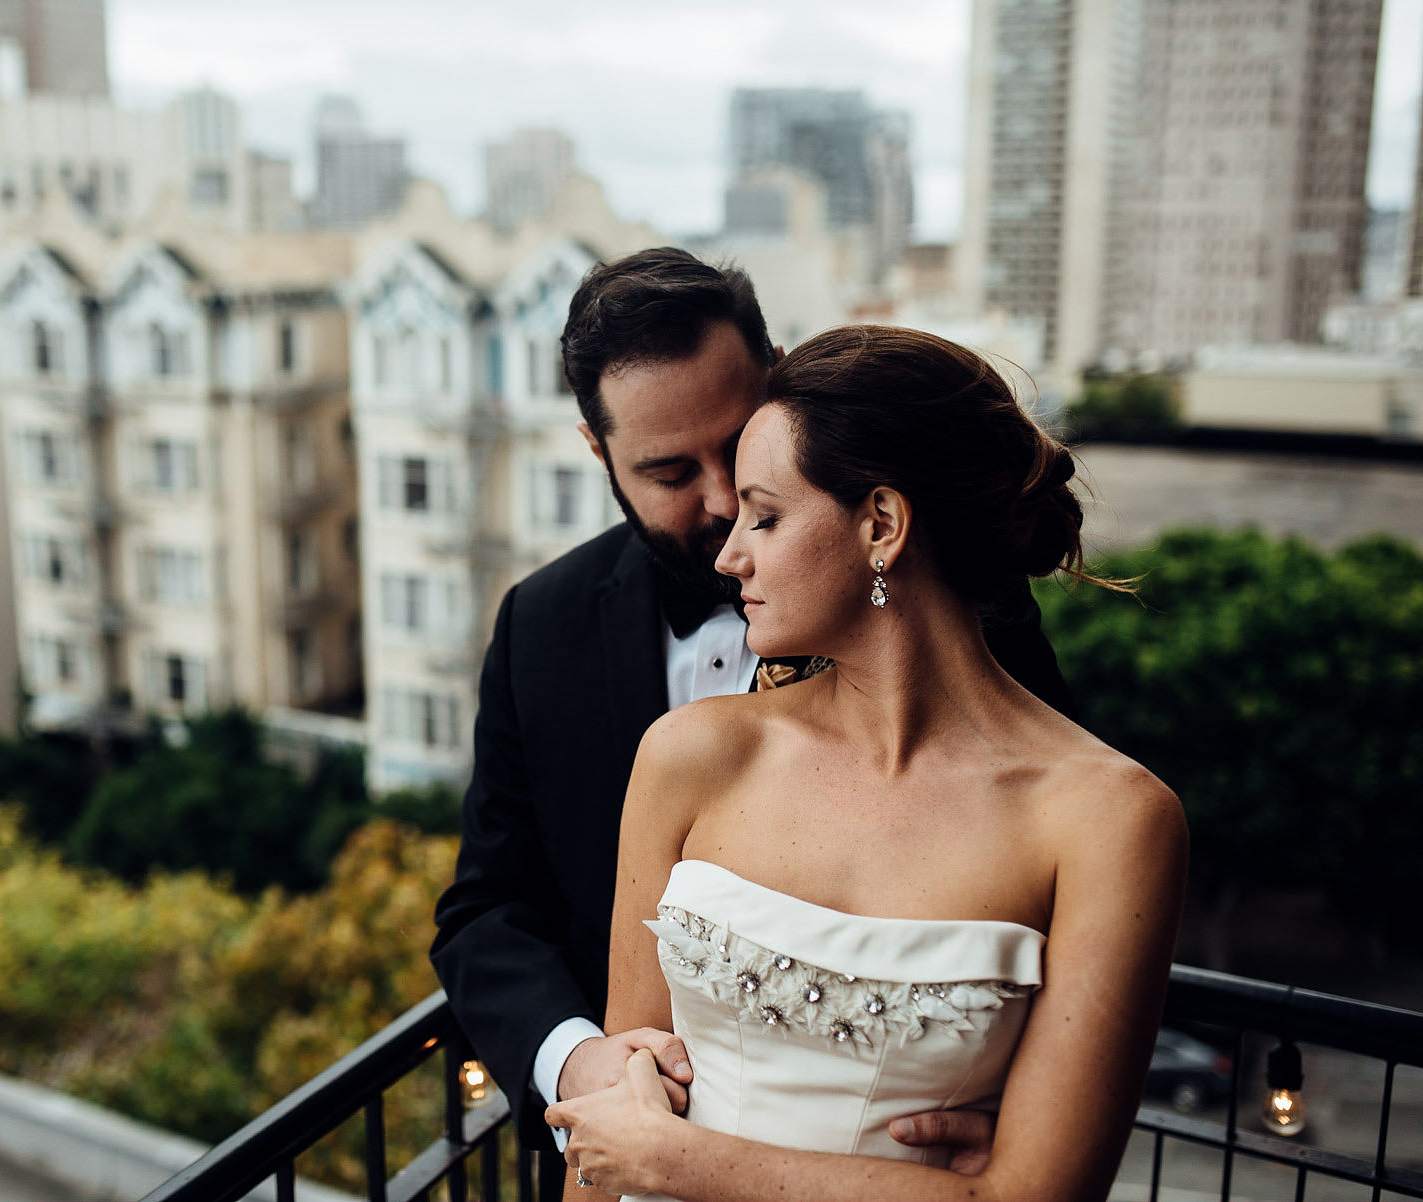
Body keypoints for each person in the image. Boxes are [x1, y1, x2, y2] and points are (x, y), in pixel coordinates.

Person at [429, 249, 1078, 1199]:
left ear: (776, 373)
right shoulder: (544, 622)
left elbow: (1049, 870)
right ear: (596, 450)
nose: (724, 503)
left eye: (735, 446)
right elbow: (487, 907)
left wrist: (1026, 1108)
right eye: (669, 472)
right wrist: (582, 1068)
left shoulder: (955, 602)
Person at [542, 325, 1187, 1202]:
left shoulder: (1110, 819)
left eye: (766, 516)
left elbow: (1039, 1199)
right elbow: (618, 1118)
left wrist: (678, 1162)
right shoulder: (692, 754)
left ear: (880, 523)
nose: (731, 552)